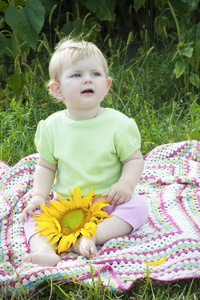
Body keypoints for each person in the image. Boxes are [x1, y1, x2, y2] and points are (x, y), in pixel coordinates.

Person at [21, 38, 149, 267]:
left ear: (107, 85)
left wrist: (125, 184)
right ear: (57, 89)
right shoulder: (51, 127)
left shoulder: (118, 124)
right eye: (77, 75)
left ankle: (92, 235)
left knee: (139, 207)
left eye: (96, 74)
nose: (88, 79)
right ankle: (44, 250)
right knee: (33, 216)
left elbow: (134, 159)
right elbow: (46, 166)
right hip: (67, 206)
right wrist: (39, 196)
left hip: (109, 200)